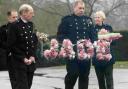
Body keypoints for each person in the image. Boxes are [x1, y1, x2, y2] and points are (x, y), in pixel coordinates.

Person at [57, 1, 95, 89]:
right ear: (74, 8)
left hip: (85, 52)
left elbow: (93, 35)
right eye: (80, 8)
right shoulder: (67, 20)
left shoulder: (88, 20)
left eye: (83, 8)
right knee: (73, 74)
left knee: (84, 76)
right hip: (72, 52)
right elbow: (60, 35)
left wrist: (94, 44)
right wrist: (67, 43)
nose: (82, 10)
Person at [6, 4, 38, 89]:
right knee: (23, 87)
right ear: (24, 13)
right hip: (19, 62)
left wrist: (32, 56)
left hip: (30, 62)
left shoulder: (31, 25)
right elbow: (11, 45)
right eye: (31, 13)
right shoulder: (14, 26)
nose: (33, 15)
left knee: (28, 85)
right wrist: (23, 58)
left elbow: (34, 42)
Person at [92, 11, 115, 89]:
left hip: (108, 58)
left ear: (102, 18)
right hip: (97, 59)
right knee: (101, 81)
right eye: (95, 17)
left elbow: (113, 42)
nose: (96, 19)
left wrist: (107, 38)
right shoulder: (92, 29)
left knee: (109, 81)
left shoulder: (108, 27)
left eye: (98, 17)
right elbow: (91, 42)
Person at [0, 9, 18, 89]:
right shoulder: (3, 29)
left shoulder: (22, 28)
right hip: (11, 57)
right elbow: (1, 42)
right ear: (9, 18)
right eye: (13, 17)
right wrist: (10, 49)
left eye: (17, 17)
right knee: (14, 78)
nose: (16, 19)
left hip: (22, 56)